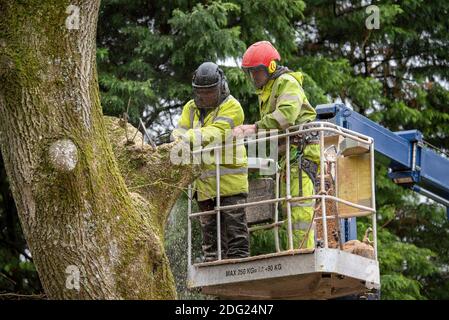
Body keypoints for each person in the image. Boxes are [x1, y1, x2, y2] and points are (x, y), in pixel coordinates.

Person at [232, 41, 320, 250]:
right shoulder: (269, 89)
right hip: (290, 154)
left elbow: (286, 116)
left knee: (299, 206)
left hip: (302, 151)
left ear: (270, 67)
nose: (253, 77)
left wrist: (254, 128)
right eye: (250, 72)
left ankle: (303, 253)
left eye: (256, 71)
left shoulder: (286, 82)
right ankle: (298, 249)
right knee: (289, 206)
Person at [172, 62, 250, 261]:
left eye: (210, 92)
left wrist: (186, 137)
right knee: (210, 238)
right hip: (204, 186)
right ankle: (214, 274)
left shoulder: (233, 107)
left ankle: (239, 270)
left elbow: (216, 132)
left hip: (230, 184)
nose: (206, 96)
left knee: (236, 235)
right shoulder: (191, 108)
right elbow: (178, 133)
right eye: (202, 92)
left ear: (221, 87)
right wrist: (177, 138)